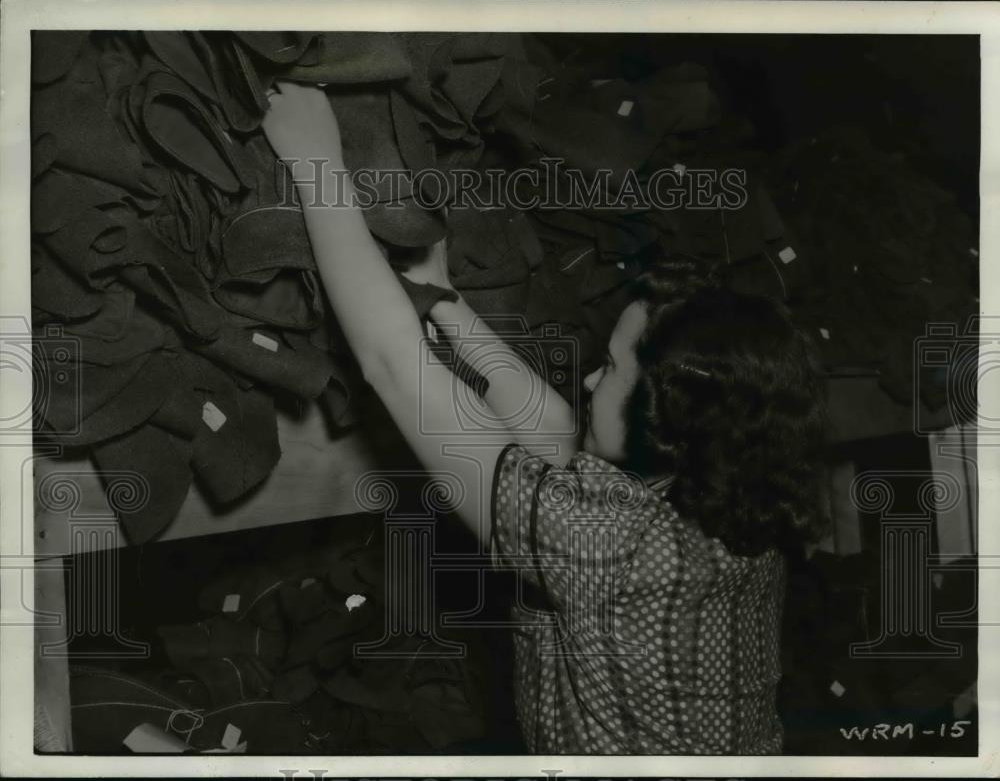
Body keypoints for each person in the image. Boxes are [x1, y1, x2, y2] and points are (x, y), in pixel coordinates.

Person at [261, 82, 828, 754]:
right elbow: (558, 438)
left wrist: (316, 163)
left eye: (613, 370)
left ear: (671, 422)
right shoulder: (734, 511)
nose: (591, 375)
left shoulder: (611, 544)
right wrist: (446, 305)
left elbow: (391, 362)